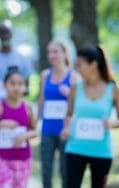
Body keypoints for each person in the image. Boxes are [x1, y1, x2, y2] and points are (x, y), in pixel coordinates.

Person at [61, 46, 119, 188]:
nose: (77, 69)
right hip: (75, 148)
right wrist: (66, 128)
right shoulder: (75, 88)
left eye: (80, 65)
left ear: (93, 65)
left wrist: (112, 123)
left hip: (101, 151)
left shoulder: (113, 89)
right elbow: (69, 114)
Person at [0, 20, 32, 187]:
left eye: (7, 32)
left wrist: (15, 89)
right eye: (2, 32)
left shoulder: (22, 59)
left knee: (14, 151)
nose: (5, 36)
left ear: (12, 34)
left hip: (16, 112)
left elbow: (28, 88)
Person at [37, 40, 79, 188]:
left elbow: (79, 105)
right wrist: (36, 123)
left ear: (64, 53)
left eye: (55, 51)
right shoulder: (45, 75)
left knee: (65, 169)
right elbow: (41, 99)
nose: (51, 55)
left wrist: (69, 94)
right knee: (46, 168)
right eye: (49, 52)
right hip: (47, 128)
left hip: (65, 129)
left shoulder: (74, 76)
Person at [0, 69, 36, 188]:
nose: (16, 87)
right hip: (3, 159)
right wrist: (1, 125)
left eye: (20, 84)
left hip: (23, 159)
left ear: (25, 87)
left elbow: (35, 131)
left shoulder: (28, 107)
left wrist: (26, 135)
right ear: (4, 85)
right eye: (12, 83)